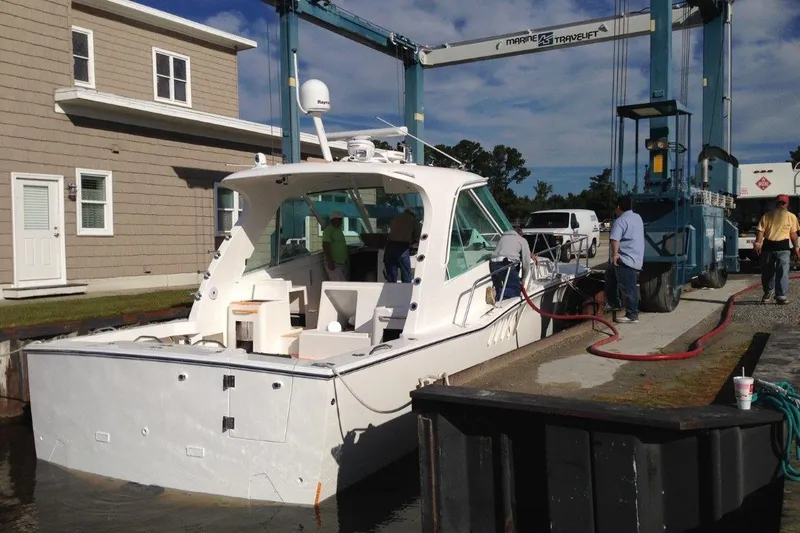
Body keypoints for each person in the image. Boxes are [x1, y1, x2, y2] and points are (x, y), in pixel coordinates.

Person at [752, 194, 800, 304]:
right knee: (767, 272)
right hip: (768, 247)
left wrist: (796, 247)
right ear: (776, 203)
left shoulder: (791, 217)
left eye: (783, 203)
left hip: (783, 248)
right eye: (780, 202)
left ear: (787, 204)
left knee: (782, 272)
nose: (781, 205)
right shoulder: (767, 216)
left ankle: (781, 295)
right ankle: (768, 291)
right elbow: (761, 231)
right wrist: (758, 243)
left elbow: (793, 235)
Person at [605, 195, 644, 323]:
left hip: (626, 259)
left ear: (618, 207)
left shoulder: (620, 221)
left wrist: (615, 255)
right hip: (637, 258)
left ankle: (632, 315)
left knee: (629, 288)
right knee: (611, 273)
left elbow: (614, 239)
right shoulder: (637, 217)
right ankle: (613, 303)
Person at [489, 224, 532, 301]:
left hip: (493, 263)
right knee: (516, 290)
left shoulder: (503, 238)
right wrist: (523, 279)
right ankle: (495, 293)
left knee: (510, 282)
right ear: (520, 234)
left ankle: (499, 294)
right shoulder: (522, 240)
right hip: (506, 264)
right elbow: (526, 262)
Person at [383, 209, 422, 283]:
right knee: (406, 274)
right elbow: (418, 236)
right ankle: (406, 293)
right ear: (413, 215)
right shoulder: (414, 221)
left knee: (391, 275)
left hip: (389, 246)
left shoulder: (396, 218)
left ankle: (391, 292)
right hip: (402, 247)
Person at [322, 211, 349, 281]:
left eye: (341, 219)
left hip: (341, 264)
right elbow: (325, 245)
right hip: (334, 264)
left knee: (344, 285)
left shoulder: (338, 230)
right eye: (339, 219)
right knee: (339, 286)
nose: (341, 221)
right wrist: (329, 261)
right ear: (333, 220)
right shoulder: (328, 230)